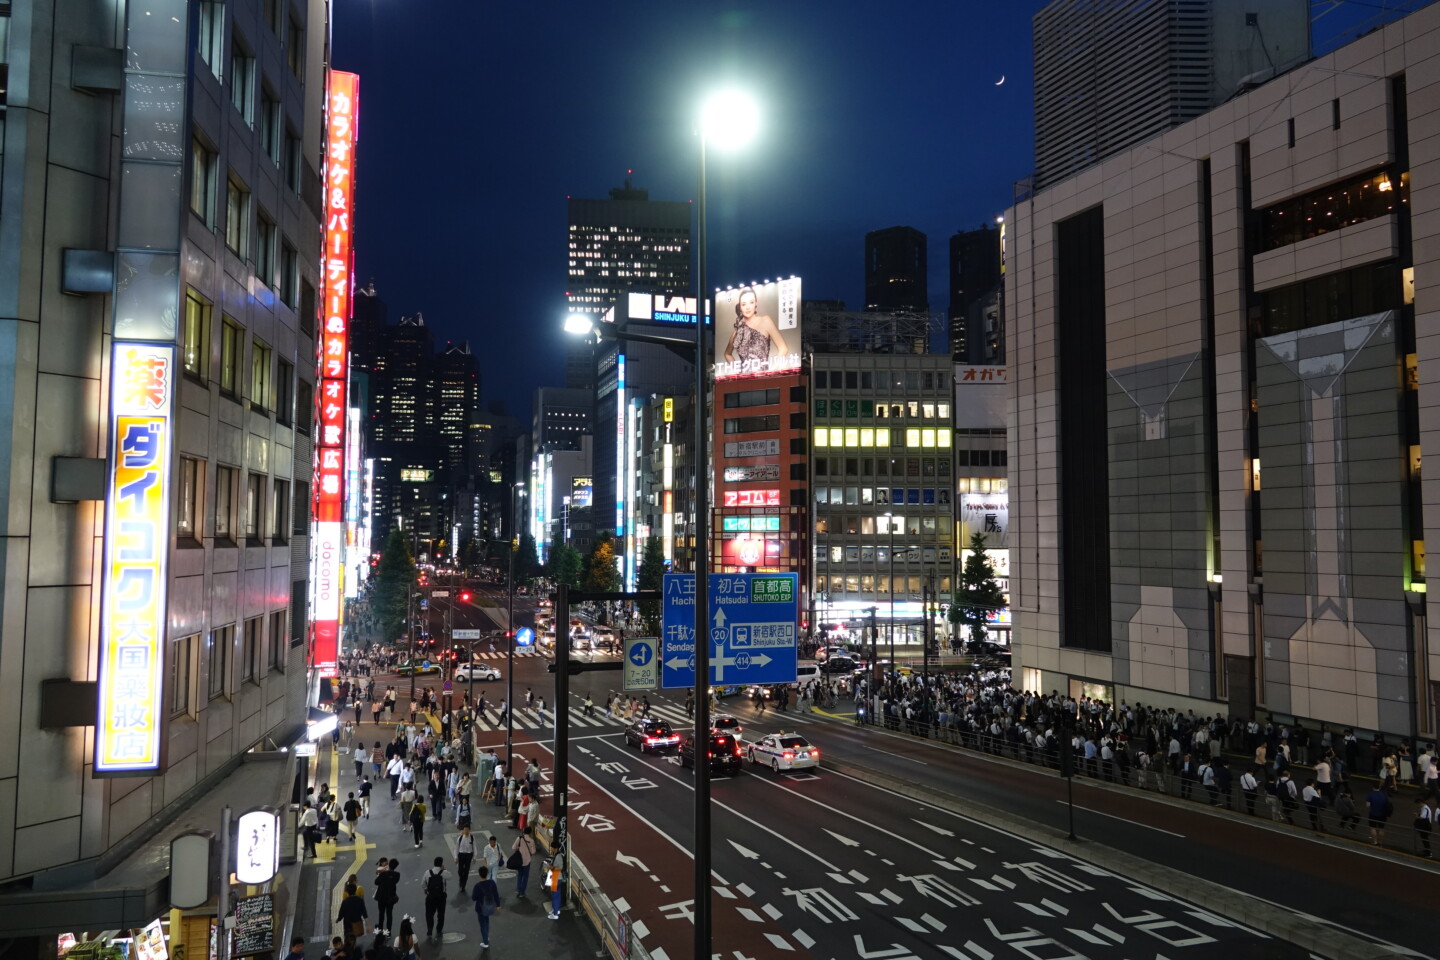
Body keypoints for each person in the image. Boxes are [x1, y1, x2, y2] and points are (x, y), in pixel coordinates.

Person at [722, 286, 788, 369]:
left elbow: (783, 348)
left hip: (764, 378)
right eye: (744, 304)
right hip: (745, 380)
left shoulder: (765, 321)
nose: (748, 307)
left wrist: (772, 372)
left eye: (751, 302)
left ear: (756, 303)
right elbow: (727, 354)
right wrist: (739, 370)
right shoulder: (738, 332)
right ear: (740, 307)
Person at [471, 865, 501, 949]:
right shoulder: (492, 883)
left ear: (479, 874)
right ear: (487, 874)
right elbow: (496, 894)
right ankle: (486, 936)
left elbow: (473, 898)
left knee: (482, 924)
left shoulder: (477, 886)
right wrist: (498, 905)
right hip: (489, 905)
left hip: (480, 908)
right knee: (487, 921)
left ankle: (485, 942)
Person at [335, 878, 369, 947]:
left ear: (347, 892)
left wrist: (338, 919)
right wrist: (368, 925)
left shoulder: (345, 901)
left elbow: (341, 912)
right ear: (355, 890)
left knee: (347, 936)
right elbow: (364, 913)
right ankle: (353, 945)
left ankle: (348, 947)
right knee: (354, 935)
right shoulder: (359, 900)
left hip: (347, 923)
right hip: (357, 921)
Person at [422, 856, 448, 939]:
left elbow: (423, 884)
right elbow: (450, 877)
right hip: (441, 897)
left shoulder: (427, 872)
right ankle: (439, 929)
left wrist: (426, 889)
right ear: (441, 864)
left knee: (429, 914)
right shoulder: (444, 872)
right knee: (441, 914)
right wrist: (444, 869)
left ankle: (430, 929)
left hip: (431, 897)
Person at [373, 858, 400, 935]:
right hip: (391, 897)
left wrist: (383, 872)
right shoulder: (397, 875)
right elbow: (395, 881)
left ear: (389, 864)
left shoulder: (383, 874)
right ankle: (388, 932)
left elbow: (376, 882)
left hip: (381, 897)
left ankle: (380, 929)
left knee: (381, 913)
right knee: (389, 914)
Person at [510, 827, 537, 898]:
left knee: (520, 875)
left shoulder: (519, 838)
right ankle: (522, 892)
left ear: (523, 831)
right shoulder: (531, 841)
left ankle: (518, 889)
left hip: (519, 861)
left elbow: (513, 847)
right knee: (525, 877)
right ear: (530, 832)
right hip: (527, 861)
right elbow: (533, 852)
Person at [545, 847, 564, 921]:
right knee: (557, 895)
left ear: (555, 848)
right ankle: (556, 909)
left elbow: (559, 867)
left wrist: (551, 867)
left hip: (556, 877)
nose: (551, 849)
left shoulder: (558, 856)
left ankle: (555, 914)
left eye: (552, 847)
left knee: (554, 895)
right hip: (557, 877)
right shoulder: (557, 855)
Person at [455, 825, 476, 889]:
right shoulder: (460, 838)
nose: (466, 831)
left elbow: (474, 847)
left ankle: (463, 885)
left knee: (466, 871)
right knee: (460, 871)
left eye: (467, 830)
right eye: (465, 830)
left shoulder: (472, 838)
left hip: (468, 856)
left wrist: (474, 857)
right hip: (461, 855)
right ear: (463, 830)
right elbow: (456, 848)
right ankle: (461, 879)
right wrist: (456, 857)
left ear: (469, 830)